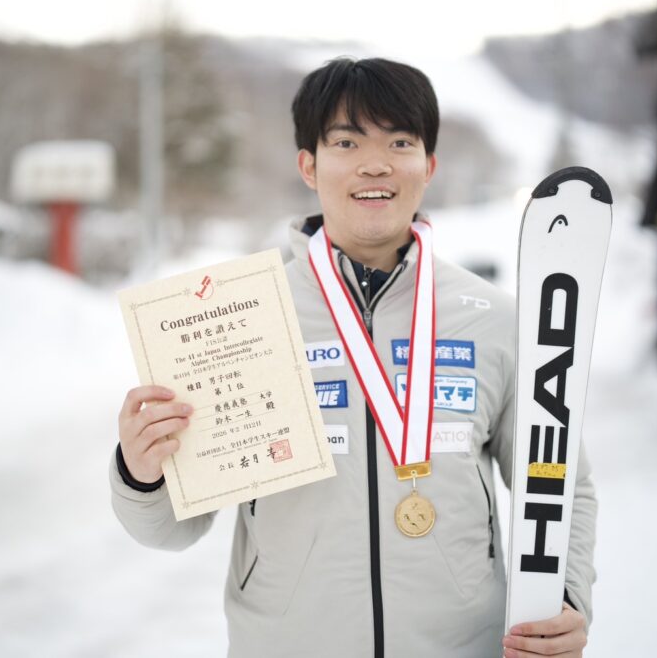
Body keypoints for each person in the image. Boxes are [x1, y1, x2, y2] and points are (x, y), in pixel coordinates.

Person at [111, 57, 597, 657]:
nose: (376, 163)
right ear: (309, 165)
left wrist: (565, 598)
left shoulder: (493, 318)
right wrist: (142, 470)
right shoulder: (239, 317)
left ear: (429, 165)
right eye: (346, 141)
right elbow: (172, 530)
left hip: (460, 644)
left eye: (400, 141)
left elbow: (558, 482)